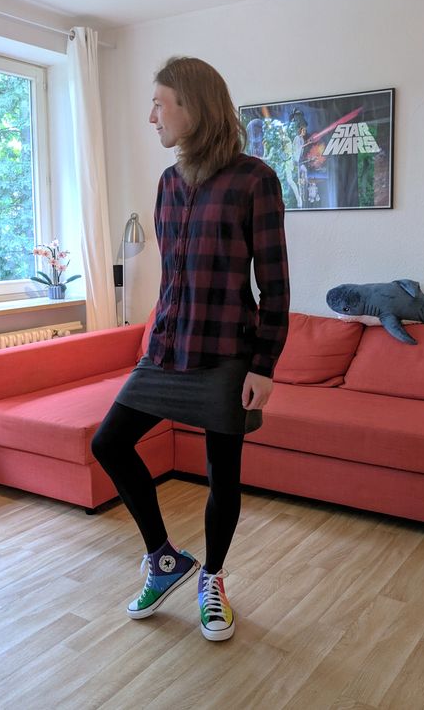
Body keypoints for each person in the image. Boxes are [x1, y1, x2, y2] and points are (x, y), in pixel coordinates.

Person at [91, 56, 289, 642]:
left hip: (228, 352)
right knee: (109, 441)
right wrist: (150, 345)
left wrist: (265, 366)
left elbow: (273, 283)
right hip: (166, 350)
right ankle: (165, 558)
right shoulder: (168, 184)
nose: (151, 115)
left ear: (193, 107)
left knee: (221, 475)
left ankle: (214, 580)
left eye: (160, 102)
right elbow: (172, 278)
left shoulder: (255, 179)